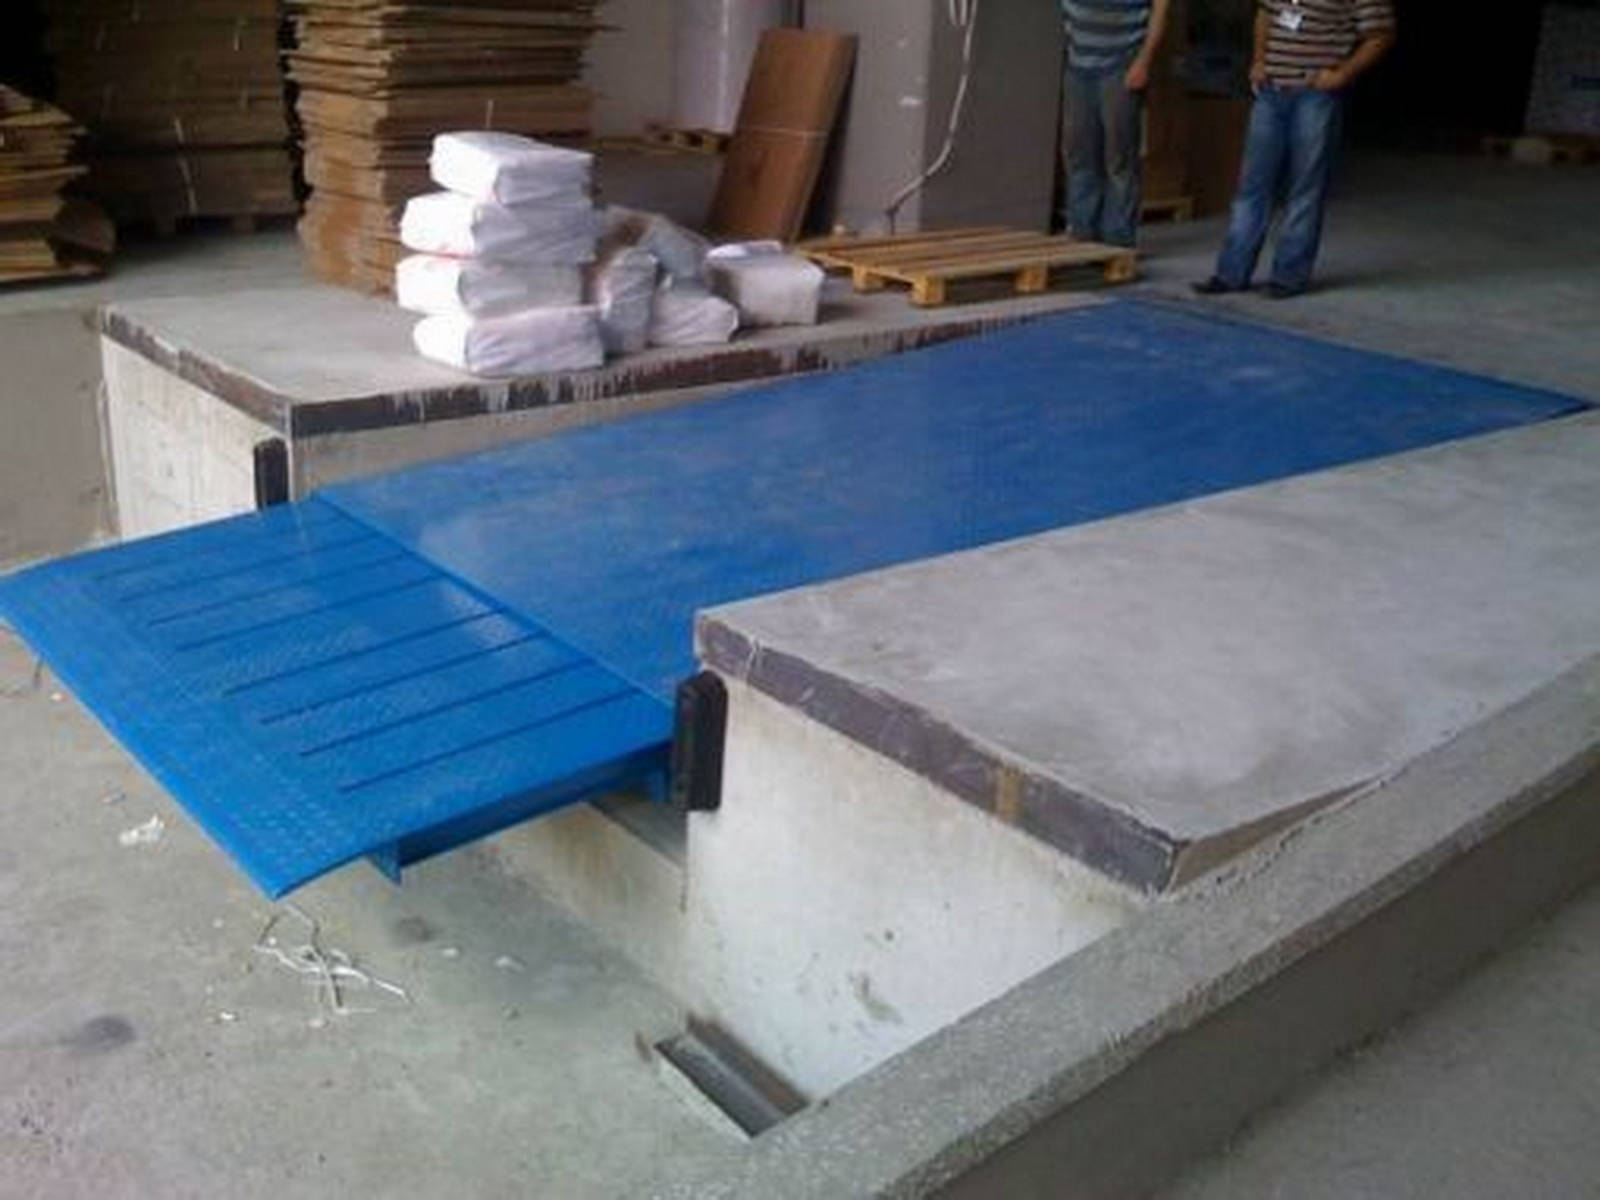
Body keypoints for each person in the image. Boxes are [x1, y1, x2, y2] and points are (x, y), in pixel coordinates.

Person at [1194, 0, 1395, 298]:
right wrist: (1259, 60)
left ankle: (1288, 277)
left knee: (1305, 188)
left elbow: (1380, 34)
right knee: (1252, 185)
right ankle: (1230, 273)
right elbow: (1265, 13)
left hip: (1315, 94)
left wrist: (1343, 74)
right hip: (1272, 89)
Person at [1061, 0, 1173, 248]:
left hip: (1121, 64)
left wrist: (1143, 61)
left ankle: (1117, 239)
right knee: (1079, 152)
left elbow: (1160, 11)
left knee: (1119, 157)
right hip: (1078, 63)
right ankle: (1082, 234)